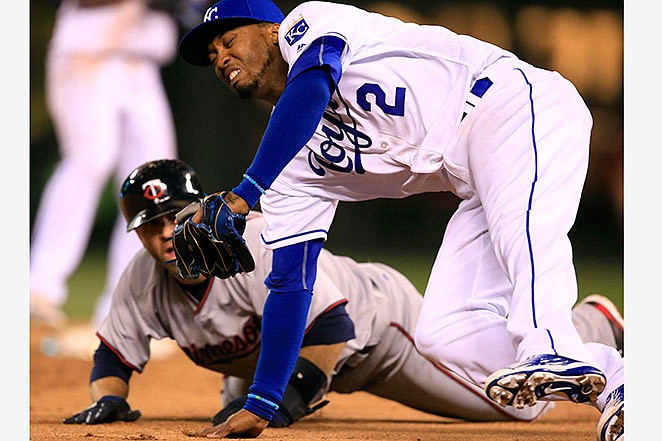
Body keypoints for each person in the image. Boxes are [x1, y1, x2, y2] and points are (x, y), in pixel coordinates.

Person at [174, 1, 626, 440]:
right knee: (443, 335)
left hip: (512, 102)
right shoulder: (292, 167)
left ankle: (548, 344)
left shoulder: (308, 23)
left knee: (523, 230)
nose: (221, 58)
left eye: (229, 40)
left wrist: (245, 193)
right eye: (212, 55)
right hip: (475, 172)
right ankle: (620, 379)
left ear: (272, 30)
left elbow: (311, 86)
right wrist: (261, 403)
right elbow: (290, 284)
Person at [62, 159, 624, 432]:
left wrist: (288, 399)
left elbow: (331, 327)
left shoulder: (252, 241)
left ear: (197, 207)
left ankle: (594, 322)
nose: (163, 233)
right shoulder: (142, 275)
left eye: (171, 217)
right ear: (133, 232)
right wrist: (109, 396)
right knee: (237, 403)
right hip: (284, 353)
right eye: (148, 224)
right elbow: (115, 352)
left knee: (519, 411)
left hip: (378, 329)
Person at [30, 0, 181, 328]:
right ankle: (40, 287)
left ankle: (123, 306)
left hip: (141, 57)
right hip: (90, 47)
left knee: (153, 182)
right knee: (90, 161)